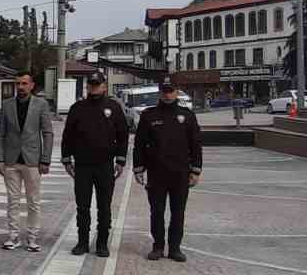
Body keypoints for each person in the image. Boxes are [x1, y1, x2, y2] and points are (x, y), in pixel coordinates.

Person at [133, 79, 203, 262]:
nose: (167, 94)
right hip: (156, 173)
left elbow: (195, 144)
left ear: (176, 91)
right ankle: (157, 246)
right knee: (157, 211)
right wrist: (138, 168)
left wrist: (196, 170)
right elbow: (139, 144)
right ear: (159, 92)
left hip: (180, 173)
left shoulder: (186, 116)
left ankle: (175, 248)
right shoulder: (149, 115)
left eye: (170, 90)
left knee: (178, 212)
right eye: (164, 91)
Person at [60, 72, 129, 258]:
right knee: (82, 206)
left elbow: (123, 135)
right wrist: (66, 159)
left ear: (104, 86)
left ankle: (102, 243)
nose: (94, 87)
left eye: (97, 84)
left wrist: (121, 159)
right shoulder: (78, 108)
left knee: (104, 207)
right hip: (82, 165)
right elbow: (68, 136)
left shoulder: (113, 107)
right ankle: (82, 242)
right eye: (91, 84)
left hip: (105, 165)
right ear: (87, 86)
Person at [0, 72, 55, 252]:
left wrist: (45, 159)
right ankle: (13, 235)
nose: (20, 87)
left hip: (33, 161)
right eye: (17, 83)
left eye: (24, 83)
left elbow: (48, 133)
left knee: (33, 201)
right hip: (11, 161)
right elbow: (0, 134)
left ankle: (32, 236)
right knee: (12, 200)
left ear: (31, 85)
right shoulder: (7, 105)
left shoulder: (41, 104)